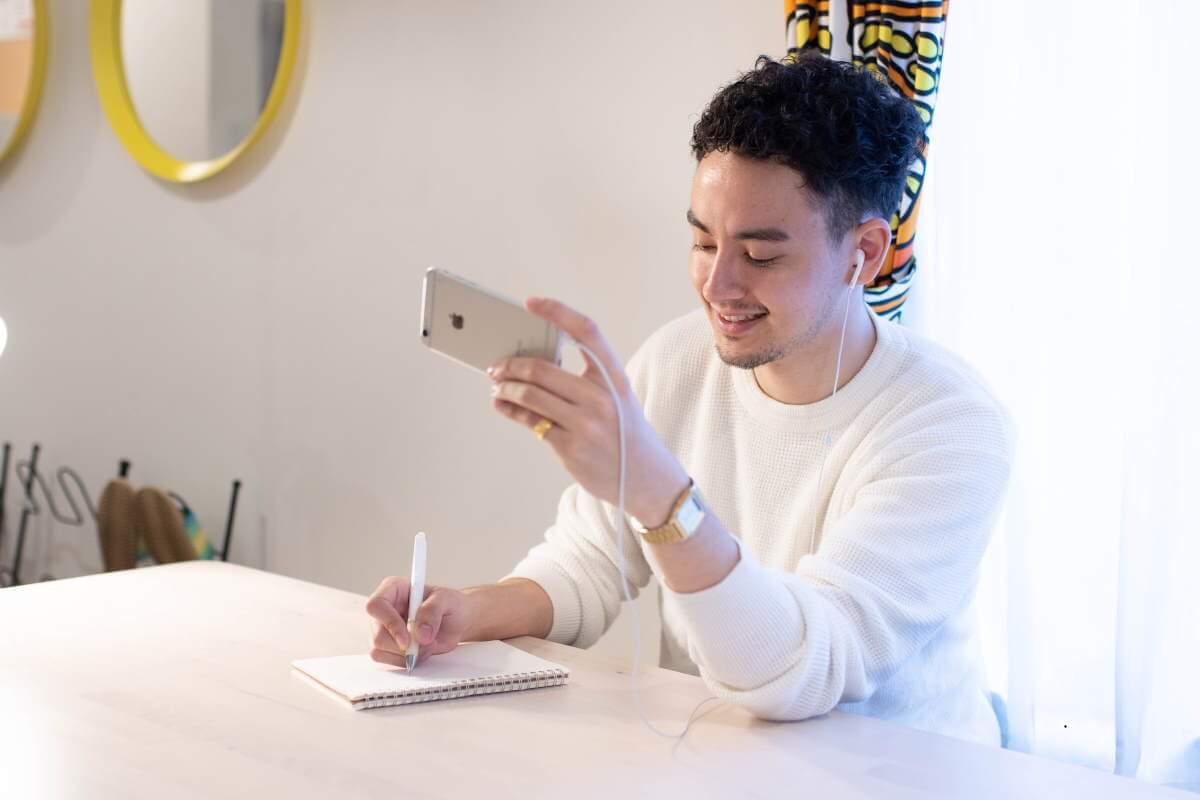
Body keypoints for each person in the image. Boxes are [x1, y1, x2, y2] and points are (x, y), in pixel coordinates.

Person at [366, 54, 1012, 746]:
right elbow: (586, 567)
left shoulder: (947, 424)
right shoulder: (678, 361)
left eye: (760, 256)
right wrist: (463, 613)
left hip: (905, 776)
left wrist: (659, 495)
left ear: (864, 253)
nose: (718, 285)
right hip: (723, 759)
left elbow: (805, 672)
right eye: (704, 242)